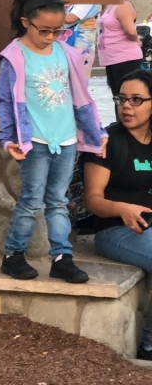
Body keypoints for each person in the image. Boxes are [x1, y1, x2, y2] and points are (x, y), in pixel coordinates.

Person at [0, 0, 106, 282]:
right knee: (31, 200)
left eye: (57, 30)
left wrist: (96, 134)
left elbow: (82, 97)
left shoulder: (66, 53)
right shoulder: (13, 57)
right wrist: (6, 140)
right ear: (25, 22)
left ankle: (61, 257)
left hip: (67, 141)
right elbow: (5, 103)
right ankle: (13, 255)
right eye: (44, 30)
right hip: (35, 143)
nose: (51, 37)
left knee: (58, 201)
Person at [82, 70, 152, 360]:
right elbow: (93, 200)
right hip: (115, 231)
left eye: (137, 100)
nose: (126, 106)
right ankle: (149, 345)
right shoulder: (108, 141)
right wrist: (123, 209)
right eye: (122, 99)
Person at [98, 0, 143, 96]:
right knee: (117, 96)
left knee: (126, 96)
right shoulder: (112, 5)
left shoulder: (124, 5)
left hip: (124, 58)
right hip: (112, 58)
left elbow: (130, 31)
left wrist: (136, 39)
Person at [63, 4, 100, 80]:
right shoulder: (75, 2)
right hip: (72, 46)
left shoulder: (89, 1)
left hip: (81, 48)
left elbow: (69, 19)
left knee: (77, 82)